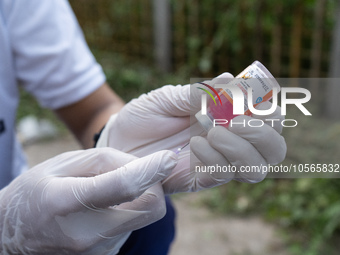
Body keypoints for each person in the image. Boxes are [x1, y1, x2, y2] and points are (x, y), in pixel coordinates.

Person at [0, 0, 287, 254]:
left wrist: (112, 137)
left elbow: (91, 110)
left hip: (20, 194)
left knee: (148, 219)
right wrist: (6, 227)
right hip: (17, 209)